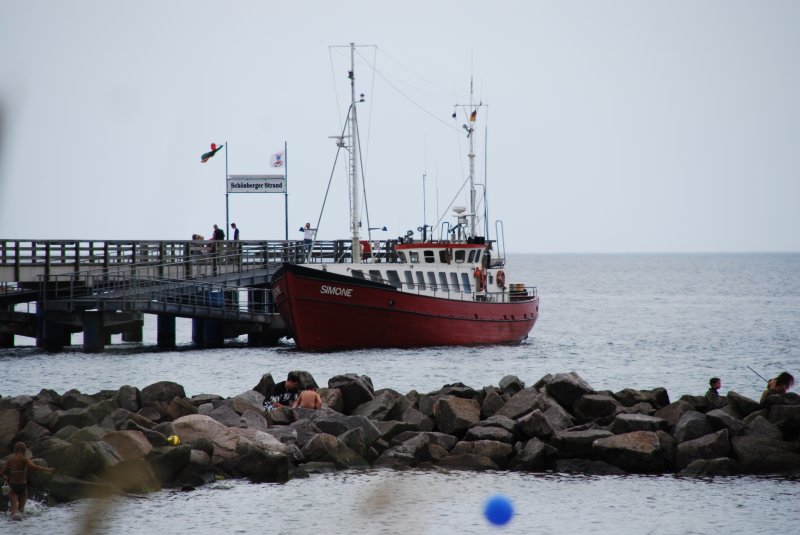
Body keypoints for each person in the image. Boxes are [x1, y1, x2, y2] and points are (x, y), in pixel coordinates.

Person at [0, 441, 56, 518]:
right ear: (24, 450)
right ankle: (23, 527)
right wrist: (48, 469)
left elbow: (1, 473)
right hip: (23, 487)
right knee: (21, 511)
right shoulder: (24, 460)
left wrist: (4, 476)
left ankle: (12, 526)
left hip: (13, 487)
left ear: (15, 450)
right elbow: (34, 467)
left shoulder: (10, 461)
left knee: (14, 512)